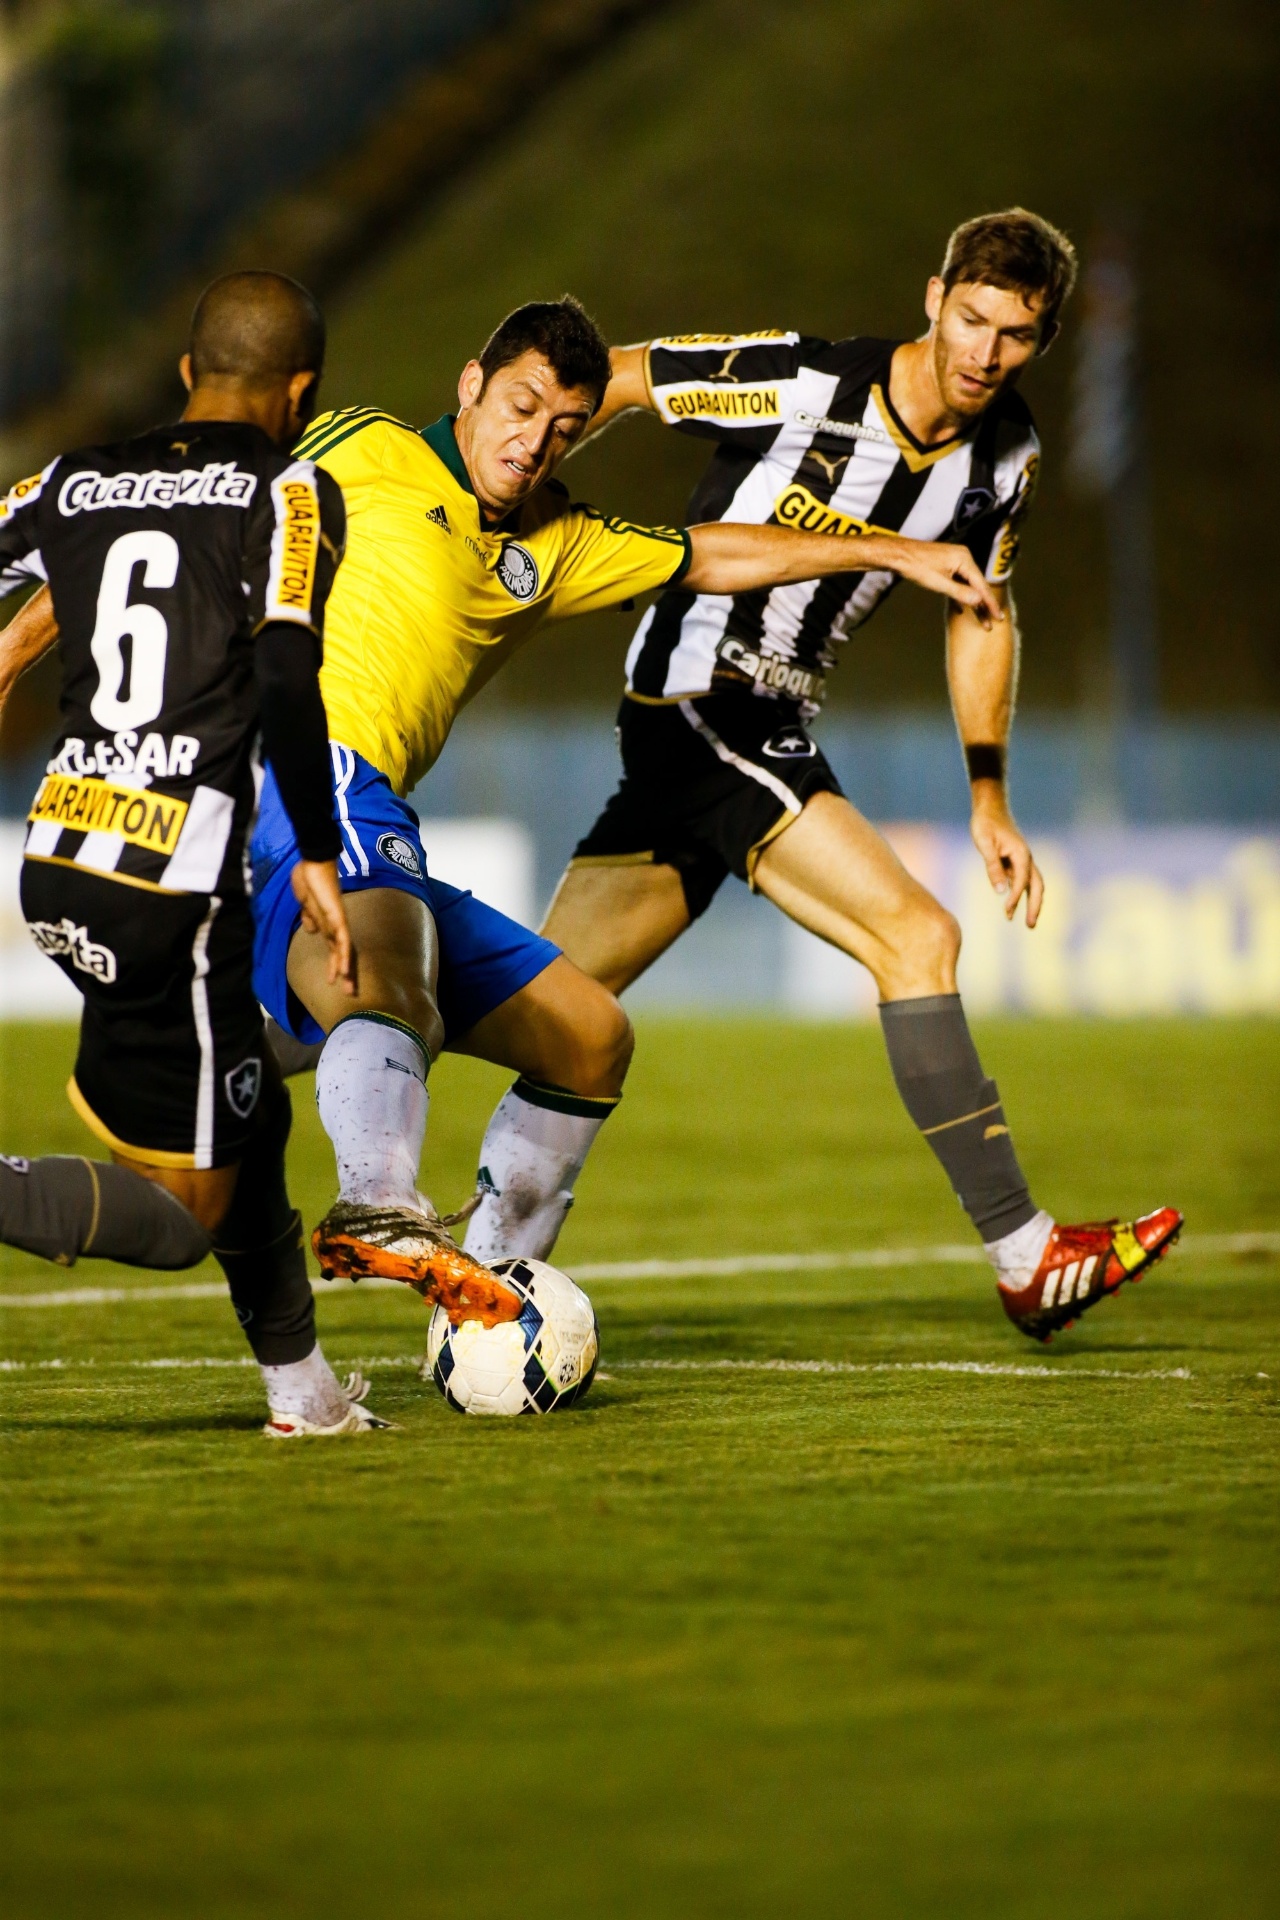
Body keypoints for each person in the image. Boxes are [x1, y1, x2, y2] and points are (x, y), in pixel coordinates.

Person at [244, 297, 1004, 1299]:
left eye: (563, 428)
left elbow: (711, 553)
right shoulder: (362, 445)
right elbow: (189, 516)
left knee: (588, 1035)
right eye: (518, 407)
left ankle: (488, 1297)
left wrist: (890, 551)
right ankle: (377, 1205)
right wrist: (15, 647)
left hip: (367, 806)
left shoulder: (559, 540)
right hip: (296, 769)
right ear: (469, 386)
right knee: (382, 971)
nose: (533, 443)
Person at [539, 210, 1181, 1342]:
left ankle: (351, 1115)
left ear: (1045, 339)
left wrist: (988, 795)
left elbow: (981, 611)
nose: (984, 352)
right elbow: (624, 376)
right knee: (916, 939)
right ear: (932, 296)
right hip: (702, 699)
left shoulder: (1007, 459)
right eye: (971, 319)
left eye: (1016, 335)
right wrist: (515, 494)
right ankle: (1024, 1255)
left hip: (763, 726)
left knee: (549, 1009)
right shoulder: (796, 381)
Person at [0, 269, 476, 1436]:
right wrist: (316, 847)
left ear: (184, 374)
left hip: (63, 860)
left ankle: (304, 1397)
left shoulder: (69, 478)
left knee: (245, 1118)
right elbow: (280, 671)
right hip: (177, 889)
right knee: (186, 1213)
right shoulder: (294, 489)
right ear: (303, 390)